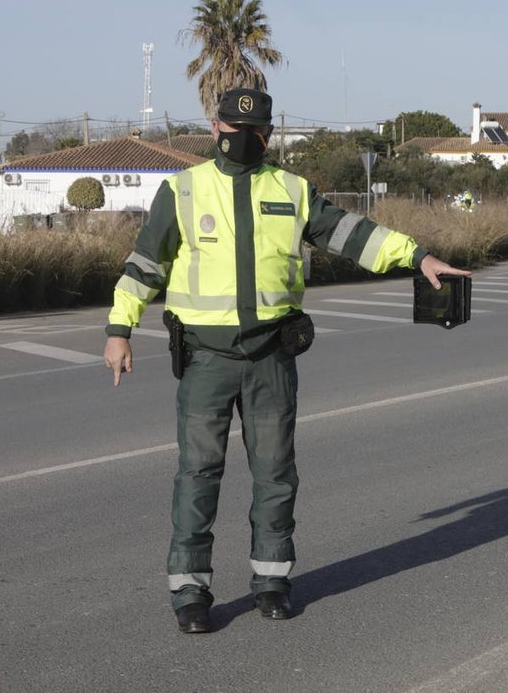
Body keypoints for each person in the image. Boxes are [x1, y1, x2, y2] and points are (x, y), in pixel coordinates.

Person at [102, 88, 470, 634]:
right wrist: (119, 329)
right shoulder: (181, 190)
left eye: (255, 131)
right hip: (206, 359)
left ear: (269, 134)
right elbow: (145, 265)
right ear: (214, 127)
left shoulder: (292, 190)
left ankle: (272, 581)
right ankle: (190, 590)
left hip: (271, 357)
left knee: (275, 474)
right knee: (198, 474)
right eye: (233, 129)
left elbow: (350, 233)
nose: (243, 138)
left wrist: (418, 256)